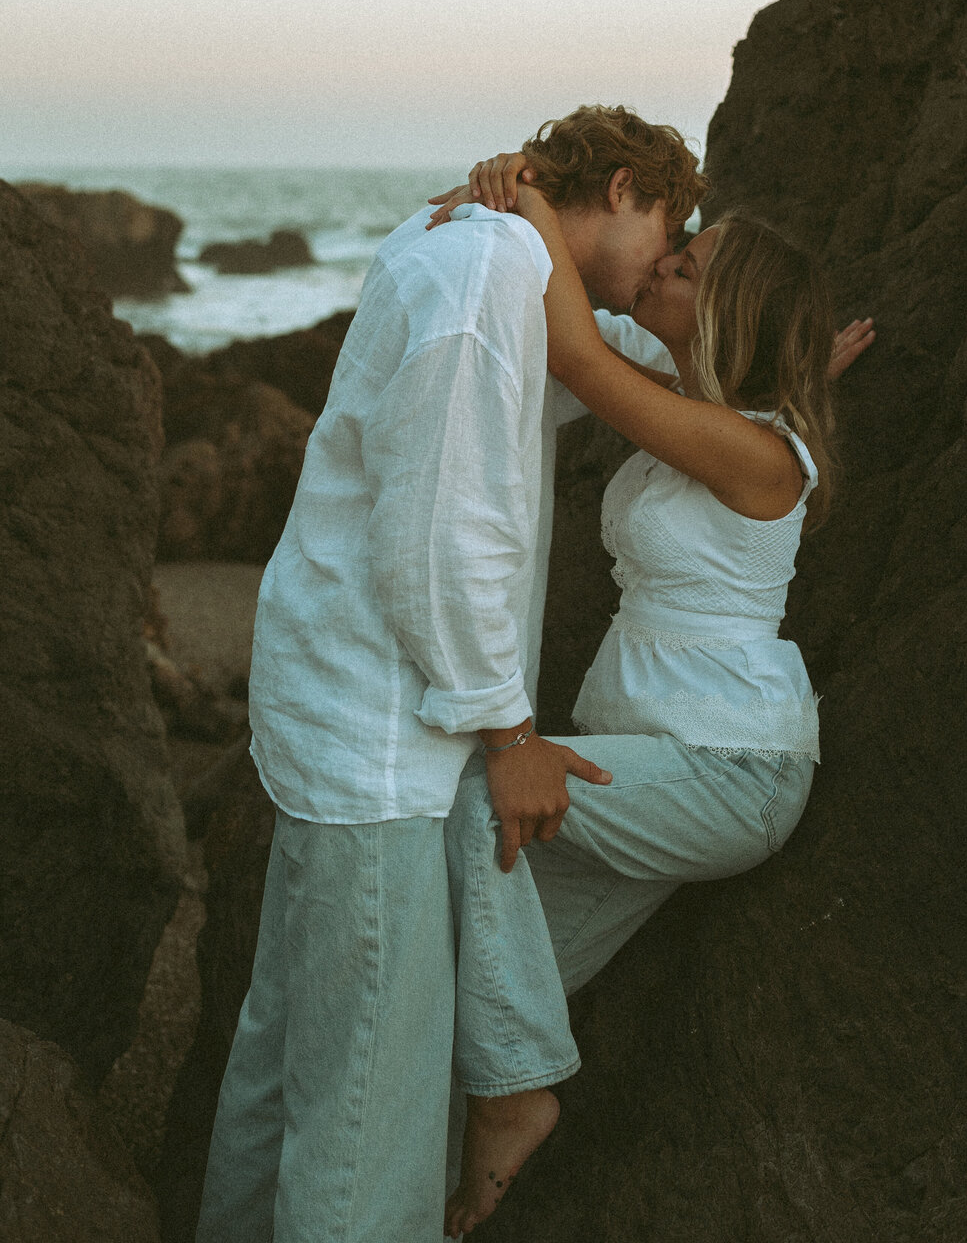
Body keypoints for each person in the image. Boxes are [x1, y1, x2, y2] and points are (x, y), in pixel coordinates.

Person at [195, 107, 710, 1243]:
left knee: (289, 1068)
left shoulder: (486, 262)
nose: (663, 265)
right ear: (624, 188)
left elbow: (603, 363)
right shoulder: (485, 276)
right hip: (385, 744)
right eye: (670, 229)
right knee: (365, 1121)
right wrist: (508, 735)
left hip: (343, 719)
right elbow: (439, 532)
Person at [429, 157, 873, 1239]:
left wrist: (534, 209)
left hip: (729, 771)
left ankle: (517, 1102)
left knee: (484, 809)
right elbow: (643, 364)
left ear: (729, 306)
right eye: (673, 252)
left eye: (688, 265)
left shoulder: (759, 450)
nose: (665, 267)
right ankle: (455, 1187)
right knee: (461, 996)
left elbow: (579, 357)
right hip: (650, 762)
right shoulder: (716, 415)